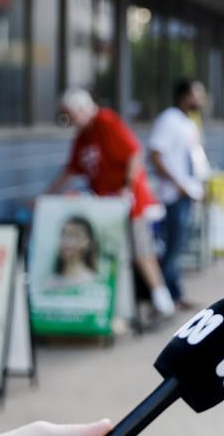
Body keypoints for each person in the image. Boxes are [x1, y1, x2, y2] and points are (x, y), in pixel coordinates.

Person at [46, 88, 175, 318]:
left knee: (142, 252)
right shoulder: (82, 137)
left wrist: (127, 186)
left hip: (131, 202)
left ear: (82, 110)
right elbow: (71, 170)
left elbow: (134, 153)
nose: (70, 121)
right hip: (105, 207)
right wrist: (46, 195)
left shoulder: (105, 122)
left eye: (71, 115)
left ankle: (162, 300)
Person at [148, 79, 211, 309]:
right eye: (197, 94)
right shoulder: (169, 120)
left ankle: (173, 293)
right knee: (172, 247)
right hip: (173, 196)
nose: (201, 100)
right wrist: (179, 185)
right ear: (184, 95)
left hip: (187, 194)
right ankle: (164, 295)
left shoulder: (187, 122)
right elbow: (155, 155)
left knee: (178, 247)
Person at [51, 215, 99, 288]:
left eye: (75, 235)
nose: (67, 242)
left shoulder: (92, 281)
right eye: (64, 234)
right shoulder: (51, 281)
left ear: (88, 242)